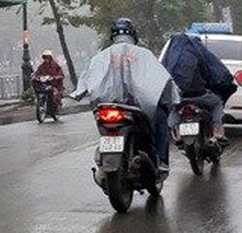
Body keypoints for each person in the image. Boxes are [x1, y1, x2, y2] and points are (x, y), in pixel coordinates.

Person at [73, 18, 179, 172]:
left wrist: (78, 93)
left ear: (113, 36)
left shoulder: (100, 57)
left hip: (106, 106)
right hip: (138, 108)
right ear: (133, 35)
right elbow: (163, 79)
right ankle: (161, 161)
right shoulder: (144, 55)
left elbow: (86, 79)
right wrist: (172, 97)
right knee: (161, 118)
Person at [161, 31, 237, 143]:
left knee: (174, 107)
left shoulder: (169, 58)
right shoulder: (200, 54)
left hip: (179, 98)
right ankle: (217, 128)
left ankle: (175, 130)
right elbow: (215, 73)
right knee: (217, 103)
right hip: (200, 95)